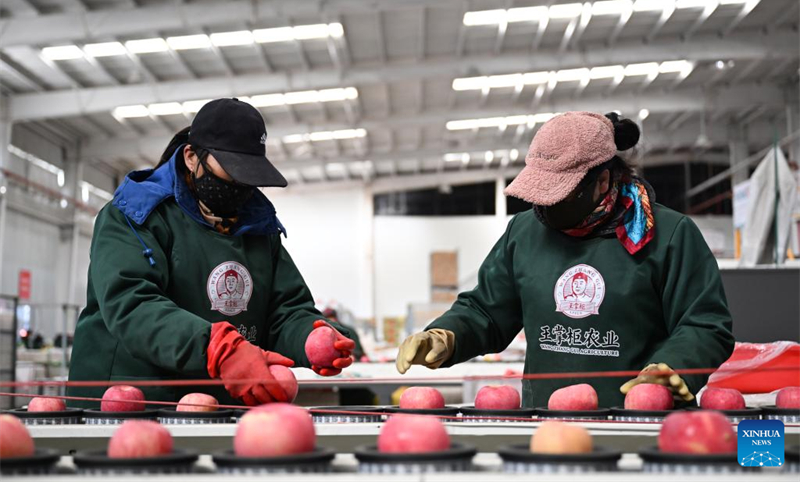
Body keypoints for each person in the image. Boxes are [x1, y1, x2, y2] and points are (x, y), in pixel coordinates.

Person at [395, 112, 735, 407]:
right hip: (544, 421)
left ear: (602, 181)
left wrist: (673, 367)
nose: (544, 206)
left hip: (638, 423)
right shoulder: (524, 233)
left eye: (558, 195)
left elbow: (704, 324)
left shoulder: (667, 234)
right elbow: (486, 310)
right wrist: (447, 335)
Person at [68, 98, 355, 408]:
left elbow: (284, 309)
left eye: (249, 174)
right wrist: (219, 349)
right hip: (129, 403)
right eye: (231, 171)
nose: (241, 185)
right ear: (192, 157)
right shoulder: (135, 216)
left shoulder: (258, 226)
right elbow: (132, 305)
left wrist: (307, 338)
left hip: (219, 406)